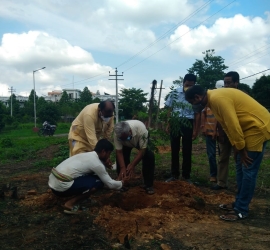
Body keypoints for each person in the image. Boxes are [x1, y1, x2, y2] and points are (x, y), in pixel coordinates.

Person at [185, 85, 270, 221]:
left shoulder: (218, 99)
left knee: (248, 169)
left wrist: (241, 149)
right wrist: (236, 145)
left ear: (197, 97)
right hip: (246, 129)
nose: (193, 106)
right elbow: (225, 124)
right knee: (239, 166)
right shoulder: (212, 100)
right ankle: (238, 203)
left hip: (256, 128)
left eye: (192, 102)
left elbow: (232, 124)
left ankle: (241, 210)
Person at [48, 139, 123, 214]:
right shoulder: (96, 163)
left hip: (53, 184)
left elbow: (96, 172)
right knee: (98, 183)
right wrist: (122, 183)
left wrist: (104, 164)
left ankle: (77, 193)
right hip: (60, 189)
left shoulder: (88, 155)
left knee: (95, 178)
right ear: (103, 151)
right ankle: (70, 203)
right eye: (109, 153)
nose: (109, 156)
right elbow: (110, 184)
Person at [164, 73, 198, 183]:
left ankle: (186, 176)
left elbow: (197, 113)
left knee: (187, 149)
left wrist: (196, 130)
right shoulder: (175, 93)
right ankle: (174, 174)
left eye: (191, 85)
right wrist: (168, 124)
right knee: (174, 149)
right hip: (175, 121)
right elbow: (169, 109)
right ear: (183, 83)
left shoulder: (196, 95)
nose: (188, 87)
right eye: (187, 85)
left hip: (188, 122)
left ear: (194, 85)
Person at [212, 72, 239, 190]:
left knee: (239, 158)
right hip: (225, 133)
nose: (226, 85)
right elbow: (219, 117)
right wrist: (220, 132)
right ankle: (221, 182)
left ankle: (240, 184)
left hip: (239, 133)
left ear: (236, 83)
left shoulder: (243, 96)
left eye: (229, 83)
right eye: (225, 83)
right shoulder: (222, 97)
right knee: (223, 158)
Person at [114, 120, 155, 195]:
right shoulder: (117, 133)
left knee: (149, 156)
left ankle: (148, 185)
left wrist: (132, 165)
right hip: (126, 145)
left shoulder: (142, 131)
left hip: (139, 140)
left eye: (126, 138)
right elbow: (119, 152)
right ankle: (123, 183)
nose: (124, 140)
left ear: (130, 131)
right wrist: (123, 168)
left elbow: (142, 150)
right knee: (121, 160)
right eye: (122, 139)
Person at [200, 106, 217, 182]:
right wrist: (203, 126)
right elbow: (203, 113)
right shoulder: (207, 102)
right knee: (211, 154)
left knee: (223, 156)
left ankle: (222, 178)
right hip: (209, 132)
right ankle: (213, 175)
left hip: (221, 133)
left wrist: (216, 130)